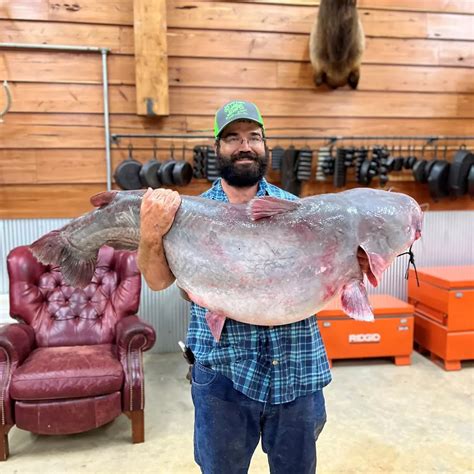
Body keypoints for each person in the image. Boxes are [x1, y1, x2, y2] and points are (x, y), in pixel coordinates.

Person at [138, 100, 332, 474]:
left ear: (265, 146)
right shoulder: (185, 213)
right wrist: (150, 234)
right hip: (222, 376)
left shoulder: (297, 210)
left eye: (253, 137)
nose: (245, 146)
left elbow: (324, 279)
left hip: (297, 369)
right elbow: (158, 281)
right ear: (218, 149)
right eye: (232, 138)